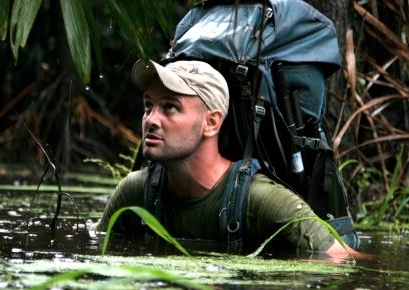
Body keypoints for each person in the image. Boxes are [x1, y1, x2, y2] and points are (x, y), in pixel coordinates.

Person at [93, 59, 360, 258]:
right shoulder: (135, 193)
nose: (150, 120)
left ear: (211, 123)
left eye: (170, 107)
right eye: (148, 106)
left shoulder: (261, 200)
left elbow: (344, 260)